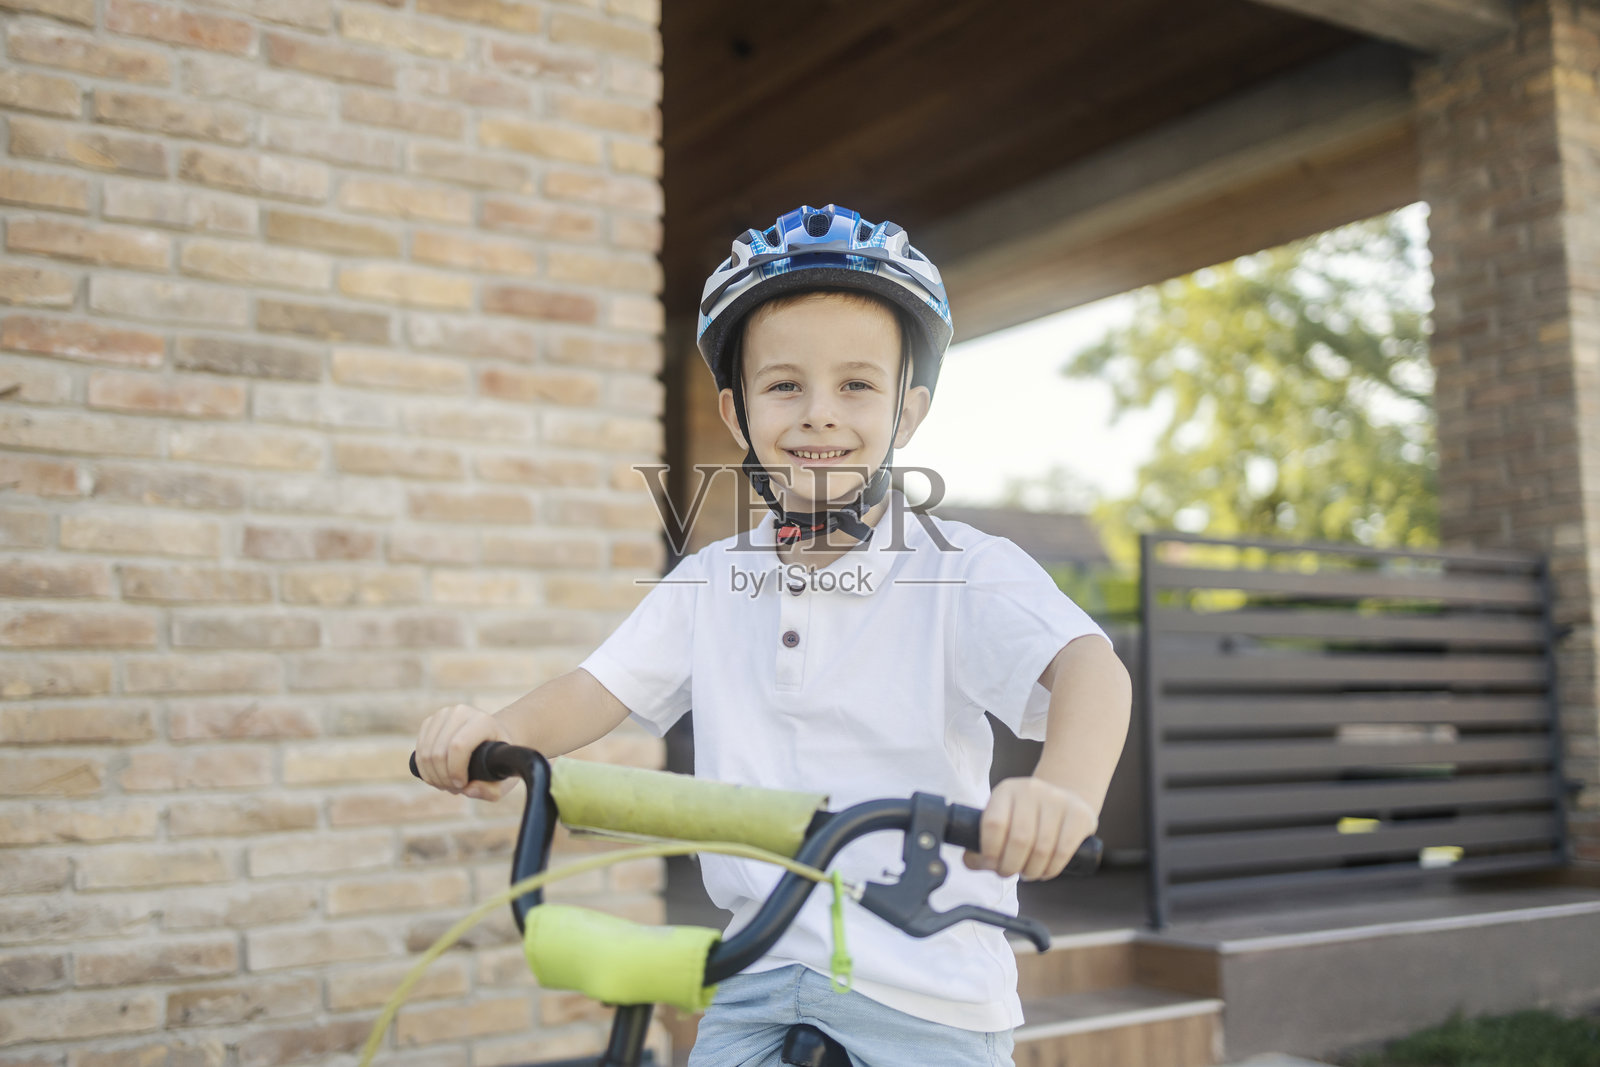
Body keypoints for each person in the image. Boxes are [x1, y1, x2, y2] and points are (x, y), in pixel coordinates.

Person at [413, 204, 1133, 1066]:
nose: (819, 414)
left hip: (925, 988)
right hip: (753, 969)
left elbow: (1090, 666)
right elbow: (594, 688)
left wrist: (1063, 792)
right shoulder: (711, 582)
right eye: (785, 384)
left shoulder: (962, 569)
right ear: (737, 409)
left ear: (908, 414)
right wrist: (496, 734)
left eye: (856, 386)